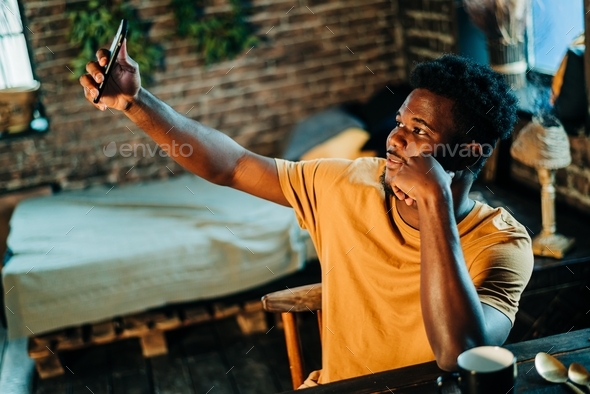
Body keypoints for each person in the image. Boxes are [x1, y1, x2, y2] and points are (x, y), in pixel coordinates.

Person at [79, 41, 533, 386]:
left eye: (418, 130)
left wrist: (434, 202)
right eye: (398, 122)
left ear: (470, 151)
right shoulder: (348, 182)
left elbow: (460, 353)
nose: (395, 139)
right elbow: (233, 165)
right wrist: (136, 103)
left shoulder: (500, 244)